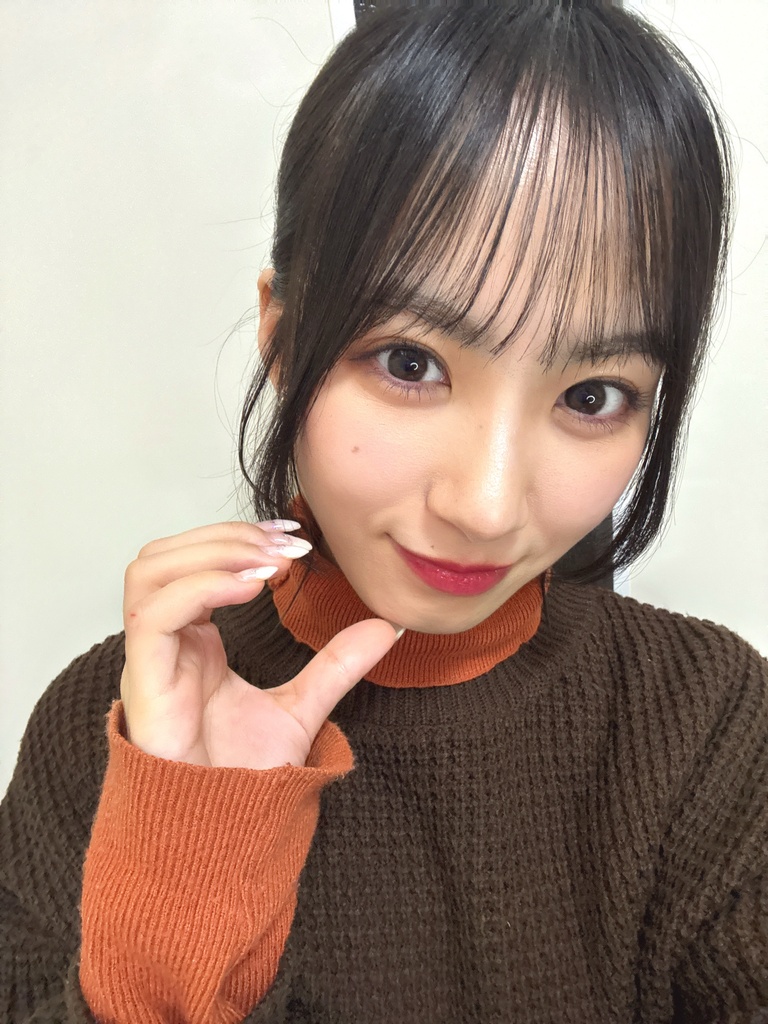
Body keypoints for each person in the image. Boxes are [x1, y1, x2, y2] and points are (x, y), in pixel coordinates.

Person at [1, 2, 765, 1022]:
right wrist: (185, 881)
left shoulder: (707, 726)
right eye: (410, 363)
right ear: (284, 337)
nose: (486, 506)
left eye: (592, 395)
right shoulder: (100, 735)